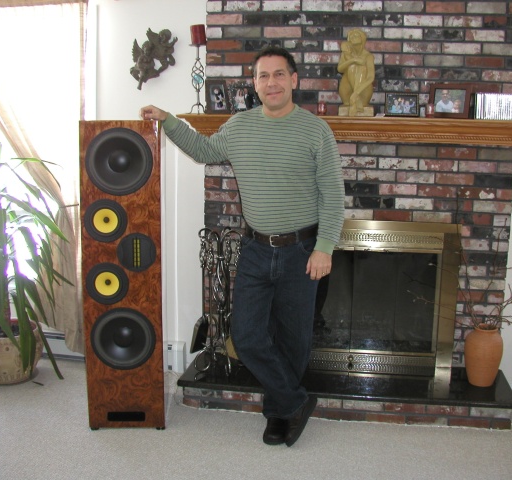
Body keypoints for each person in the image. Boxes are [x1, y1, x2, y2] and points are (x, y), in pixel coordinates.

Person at [140, 45, 345, 447]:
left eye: (279, 74)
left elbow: (333, 196)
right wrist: (169, 121)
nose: (272, 82)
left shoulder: (316, 131)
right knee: (247, 337)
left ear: (294, 80)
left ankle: (279, 412)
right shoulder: (239, 126)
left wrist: (325, 247)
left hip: (302, 252)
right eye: (263, 76)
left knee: (294, 341)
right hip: (254, 250)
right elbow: (203, 150)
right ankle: (296, 401)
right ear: (255, 83)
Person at [337, 29, 375, 116]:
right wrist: (353, 60)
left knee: (356, 67)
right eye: (351, 36)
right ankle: (355, 100)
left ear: (362, 38)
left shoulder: (368, 56)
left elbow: (371, 77)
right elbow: (340, 69)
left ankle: (356, 98)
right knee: (352, 65)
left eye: (356, 35)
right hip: (347, 92)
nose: (353, 37)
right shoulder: (346, 53)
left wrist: (356, 93)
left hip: (362, 92)